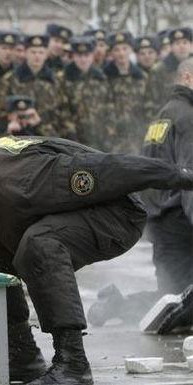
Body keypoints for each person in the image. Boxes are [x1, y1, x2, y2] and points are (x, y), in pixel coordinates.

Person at [0, 135, 193, 385]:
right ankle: (20, 358)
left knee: (41, 243)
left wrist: (181, 174)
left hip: (118, 213)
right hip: (57, 209)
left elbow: (115, 168)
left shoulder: (32, 180)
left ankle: (73, 365)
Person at [89, 58, 193, 332]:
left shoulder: (165, 114)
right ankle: (119, 305)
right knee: (179, 301)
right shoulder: (188, 116)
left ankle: (117, 304)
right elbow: (190, 178)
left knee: (175, 294)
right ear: (187, 77)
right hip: (180, 223)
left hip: (163, 220)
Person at [0, 34, 66, 138]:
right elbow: (0, 111)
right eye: (33, 52)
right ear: (26, 53)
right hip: (19, 139)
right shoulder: (11, 79)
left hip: (50, 137)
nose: (37, 56)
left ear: (46, 54)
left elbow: (64, 112)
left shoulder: (55, 80)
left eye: (41, 52)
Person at [58, 36, 113, 150]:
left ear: (92, 56)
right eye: (79, 56)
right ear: (73, 56)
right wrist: (72, 138)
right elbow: (63, 111)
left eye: (87, 56)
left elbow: (109, 108)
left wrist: (108, 135)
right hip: (73, 141)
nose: (83, 60)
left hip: (99, 139)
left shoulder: (101, 78)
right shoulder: (63, 78)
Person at [103, 31, 147, 154]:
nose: (121, 53)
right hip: (111, 139)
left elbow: (146, 107)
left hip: (136, 137)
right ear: (111, 52)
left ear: (131, 50)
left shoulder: (141, 76)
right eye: (116, 49)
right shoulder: (104, 77)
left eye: (124, 48)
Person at [146, 27, 192, 116]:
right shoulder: (159, 70)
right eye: (177, 43)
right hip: (169, 120)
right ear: (171, 47)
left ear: (191, 45)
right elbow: (151, 104)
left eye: (185, 42)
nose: (181, 46)